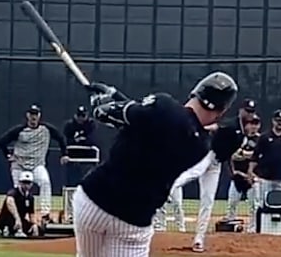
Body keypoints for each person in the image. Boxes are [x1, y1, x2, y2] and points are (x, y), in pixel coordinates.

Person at [72, 72, 239, 257]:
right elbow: (153, 123)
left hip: (93, 201)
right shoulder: (200, 148)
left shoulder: (163, 104)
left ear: (196, 91)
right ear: (222, 110)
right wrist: (114, 95)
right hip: (133, 220)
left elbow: (110, 114)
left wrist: (101, 103)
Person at [155, 99, 250, 252]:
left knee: (208, 200)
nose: (252, 123)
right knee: (192, 173)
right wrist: (200, 129)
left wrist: (233, 173)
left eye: (254, 121)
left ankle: (199, 239)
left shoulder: (243, 138)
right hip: (208, 154)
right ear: (241, 112)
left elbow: (228, 156)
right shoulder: (232, 123)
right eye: (249, 115)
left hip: (216, 164)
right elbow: (215, 127)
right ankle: (166, 187)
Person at [0, 104, 69, 223]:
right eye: (31, 114)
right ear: (27, 116)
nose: (33, 117)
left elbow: (61, 138)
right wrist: (8, 155)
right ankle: (19, 217)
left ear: (39, 116)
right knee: (19, 191)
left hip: (37, 164)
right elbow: (2, 141)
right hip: (19, 165)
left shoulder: (46, 129)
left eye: (35, 114)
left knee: (45, 182)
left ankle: (45, 214)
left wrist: (64, 154)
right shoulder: (19, 130)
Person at [248, 109, 281, 229]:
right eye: (277, 121)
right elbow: (255, 156)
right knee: (261, 204)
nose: (279, 123)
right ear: (273, 121)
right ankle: (257, 229)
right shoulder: (264, 137)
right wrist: (250, 171)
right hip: (265, 178)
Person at [223, 109, 261, 232]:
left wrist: (246, 154)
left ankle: (252, 229)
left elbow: (258, 156)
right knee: (232, 203)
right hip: (238, 176)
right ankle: (230, 226)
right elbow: (232, 156)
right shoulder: (239, 137)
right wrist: (234, 172)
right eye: (251, 123)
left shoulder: (260, 140)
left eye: (256, 124)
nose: (253, 126)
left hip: (252, 178)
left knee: (253, 206)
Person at [0, 171, 42, 238]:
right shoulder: (14, 192)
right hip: (7, 219)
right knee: (12, 221)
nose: (26, 185)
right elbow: (9, 201)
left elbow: (31, 213)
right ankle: (9, 229)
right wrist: (17, 218)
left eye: (28, 183)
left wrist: (34, 224)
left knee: (39, 230)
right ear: (20, 183)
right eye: (24, 182)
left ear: (31, 184)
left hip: (21, 220)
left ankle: (18, 230)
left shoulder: (30, 197)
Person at [63, 105, 100, 183]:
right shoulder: (69, 125)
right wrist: (78, 140)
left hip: (88, 159)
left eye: (83, 116)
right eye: (79, 115)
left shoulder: (91, 124)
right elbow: (67, 140)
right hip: (73, 158)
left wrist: (79, 140)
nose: (80, 118)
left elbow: (92, 140)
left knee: (88, 180)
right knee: (72, 181)